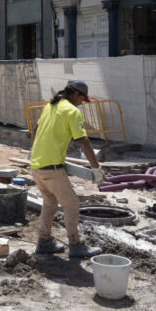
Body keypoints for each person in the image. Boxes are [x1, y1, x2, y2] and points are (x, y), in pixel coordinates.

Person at [30, 80, 105, 258]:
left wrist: (37, 153)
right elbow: (84, 142)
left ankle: (44, 242)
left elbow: (35, 130)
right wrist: (96, 168)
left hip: (37, 166)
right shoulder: (72, 112)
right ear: (75, 94)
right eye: (82, 98)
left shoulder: (51, 106)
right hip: (52, 168)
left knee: (49, 204)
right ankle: (75, 244)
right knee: (72, 204)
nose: (82, 102)